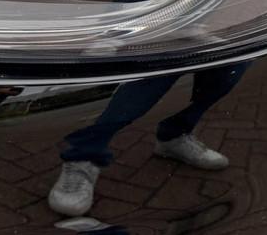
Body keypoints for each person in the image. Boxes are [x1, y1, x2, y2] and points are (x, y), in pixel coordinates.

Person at [49, 64, 247, 216]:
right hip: (155, 26)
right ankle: (83, 155)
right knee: (143, 82)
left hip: (223, 24)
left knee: (225, 75)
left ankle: (173, 136)